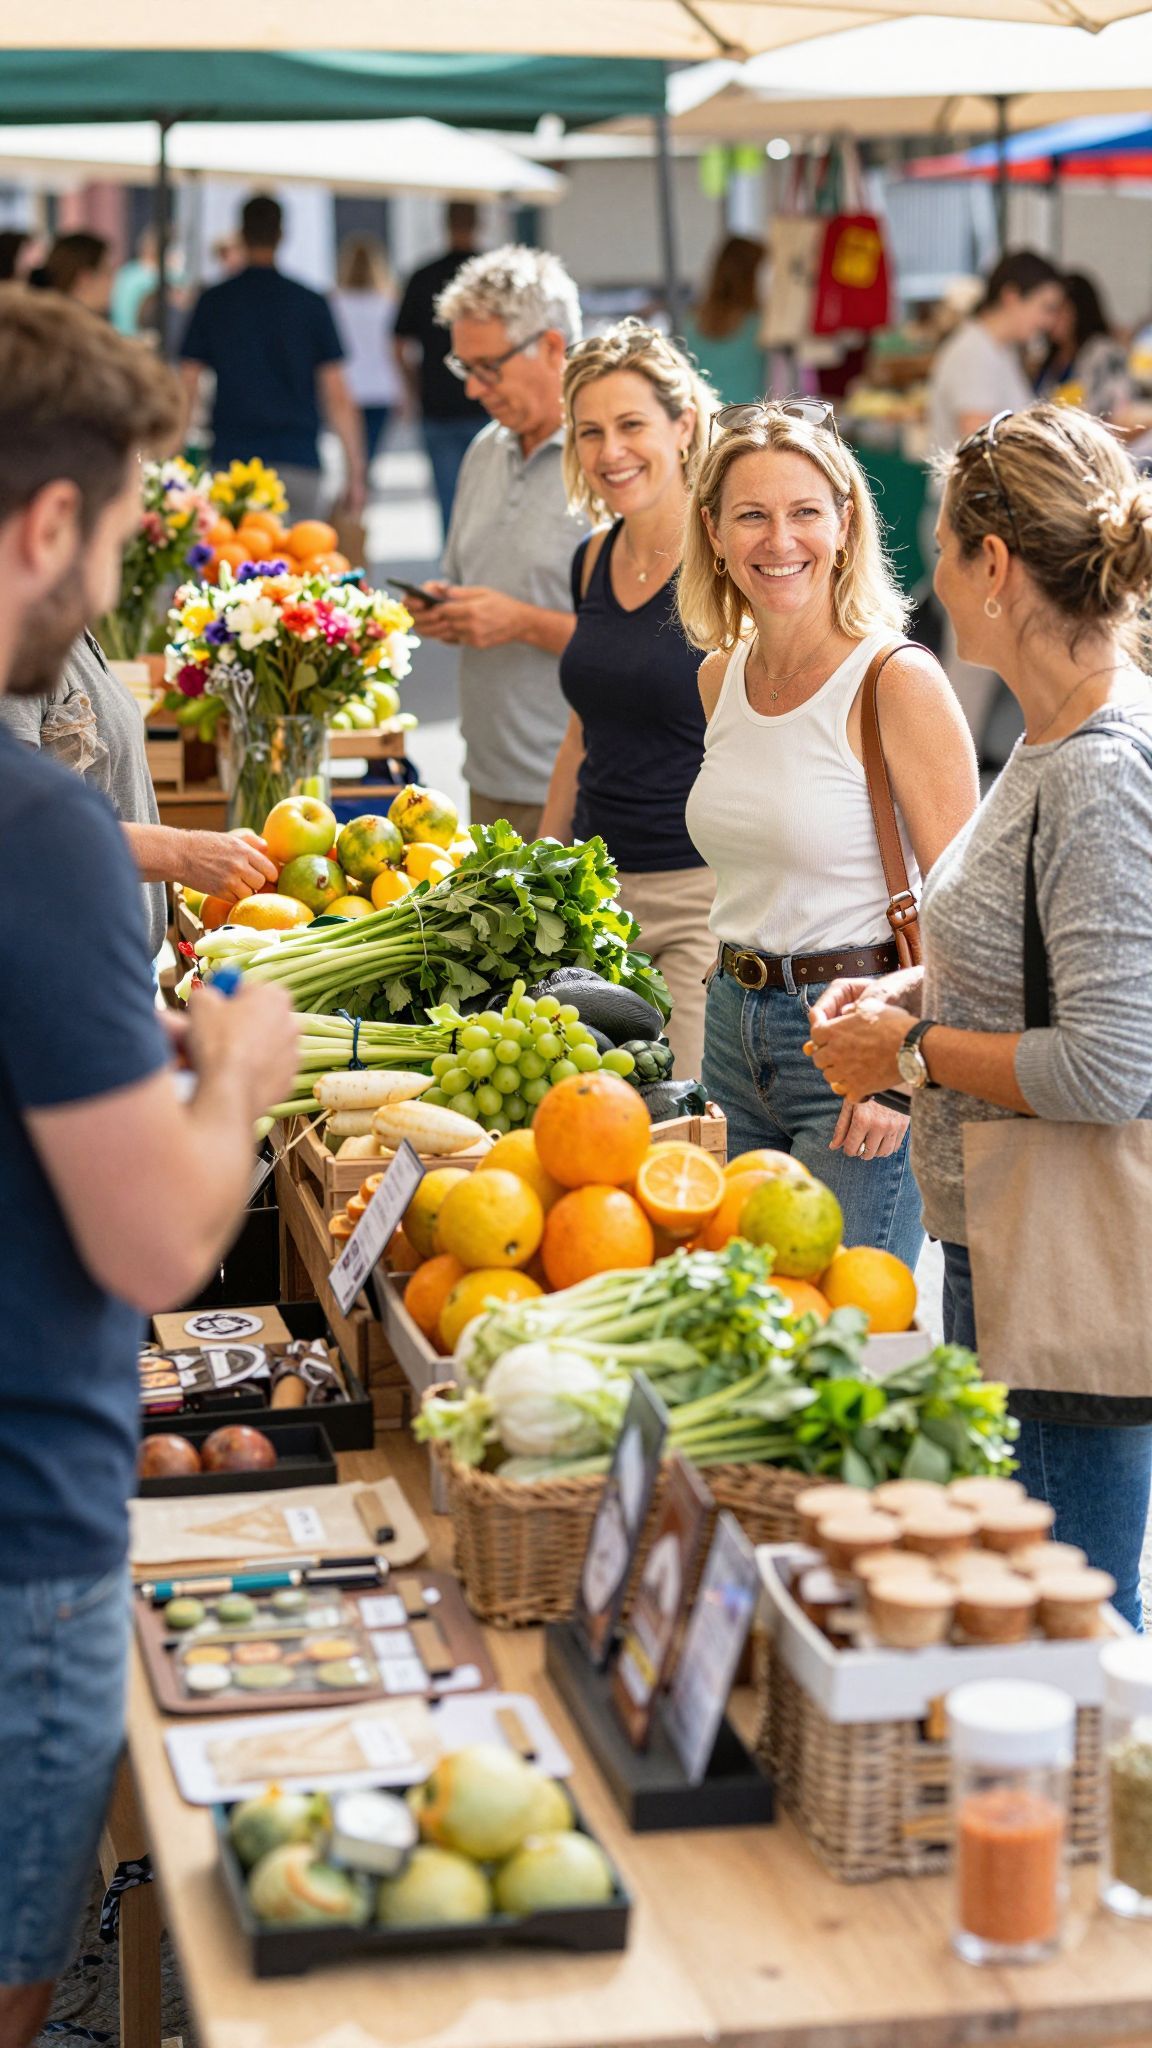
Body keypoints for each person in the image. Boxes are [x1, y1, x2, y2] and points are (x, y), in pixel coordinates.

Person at [0, 283, 299, 2048]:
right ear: (47, 523)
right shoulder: (29, 827)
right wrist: (242, 1067)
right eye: (111, 537)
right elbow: (159, 1237)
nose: (110, 587)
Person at [807, 404, 1152, 1626]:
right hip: (1010, 1235)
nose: (932, 575)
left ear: (995, 566)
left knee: (1072, 1638)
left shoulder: (1098, 768)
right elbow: (1048, 964)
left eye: (942, 544)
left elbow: (1113, 1061)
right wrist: (915, 988)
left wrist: (904, 1050)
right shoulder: (1054, 738)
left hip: (1064, 1266)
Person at [679, 400, 978, 1267]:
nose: (781, 540)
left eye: (806, 511)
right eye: (753, 515)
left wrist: (905, 1071)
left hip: (855, 1037)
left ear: (845, 523)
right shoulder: (717, 679)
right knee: (749, 1314)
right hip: (731, 1025)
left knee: (839, 1334)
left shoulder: (896, 680)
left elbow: (964, 907)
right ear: (715, 532)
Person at [540, 321, 716, 1077]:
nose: (611, 451)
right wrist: (542, 865)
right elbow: (582, 737)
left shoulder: (726, 564)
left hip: (698, 901)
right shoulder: (591, 560)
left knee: (682, 1117)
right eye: (590, 432)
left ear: (682, 427)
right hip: (595, 894)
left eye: (631, 425)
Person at [409, 245, 588, 840]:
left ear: (553, 347)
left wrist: (520, 622)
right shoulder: (485, 450)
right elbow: (469, 580)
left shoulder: (613, 462)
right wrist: (444, 609)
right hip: (488, 777)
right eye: (465, 368)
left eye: (489, 368)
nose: (472, 390)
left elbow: (662, 648)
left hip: (579, 790)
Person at [0, 631, 277, 960]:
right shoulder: (16, 642)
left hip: (108, 965)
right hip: (61, 972)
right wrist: (185, 854)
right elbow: (16, 829)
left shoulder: (72, 635)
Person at [927, 249, 1065, 756]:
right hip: (973, 530)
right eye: (1044, 306)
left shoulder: (996, 350)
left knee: (979, 664)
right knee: (970, 665)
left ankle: (949, 770)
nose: (1048, 321)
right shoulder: (974, 354)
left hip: (991, 528)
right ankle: (937, 777)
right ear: (1012, 296)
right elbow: (984, 447)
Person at [179, 194, 366, 522]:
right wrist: (356, 472)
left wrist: (171, 457)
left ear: (242, 234)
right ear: (282, 235)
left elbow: (187, 385)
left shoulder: (214, 300)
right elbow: (337, 394)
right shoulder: (310, 302)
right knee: (299, 565)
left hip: (232, 461)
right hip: (298, 460)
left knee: (232, 566)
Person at [393, 201, 486, 535]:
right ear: (479, 223)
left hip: (437, 403)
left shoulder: (423, 276)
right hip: (487, 405)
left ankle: (457, 579)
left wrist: (413, 386)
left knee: (451, 506)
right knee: (491, 501)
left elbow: (398, 343)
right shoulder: (489, 276)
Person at [331, 234, 404, 470]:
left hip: (346, 387)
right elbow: (397, 350)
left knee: (352, 461)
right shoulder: (388, 303)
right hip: (380, 389)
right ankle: (356, 500)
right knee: (367, 460)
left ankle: (354, 500)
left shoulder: (334, 303)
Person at [679, 235, 766, 405]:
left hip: (705, 421)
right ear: (753, 275)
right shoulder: (760, 324)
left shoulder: (690, 322)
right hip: (752, 423)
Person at [1036, 271, 1132, 420]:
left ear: (1080, 309)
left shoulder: (1104, 352)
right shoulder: (1051, 357)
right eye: (1049, 309)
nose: (1052, 318)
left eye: (1059, 309)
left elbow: (1117, 413)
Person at [28, 231, 113, 315]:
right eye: (108, 272)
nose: (113, 280)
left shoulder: (42, 320)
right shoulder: (76, 327)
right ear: (84, 279)